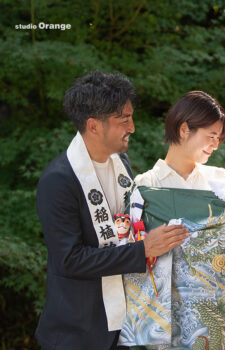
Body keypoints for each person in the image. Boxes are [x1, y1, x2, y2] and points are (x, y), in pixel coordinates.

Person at [35, 70, 189, 350]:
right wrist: (143, 250)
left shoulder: (121, 162)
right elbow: (70, 259)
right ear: (94, 126)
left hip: (128, 325)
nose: (132, 127)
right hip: (79, 330)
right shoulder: (58, 180)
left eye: (131, 116)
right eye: (123, 120)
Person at [133, 90, 225, 349]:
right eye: (210, 136)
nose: (216, 144)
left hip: (215, 305)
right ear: (185, 129)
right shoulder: (145, 184)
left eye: (218, 138)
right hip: (164, 310)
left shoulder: (219, 179)